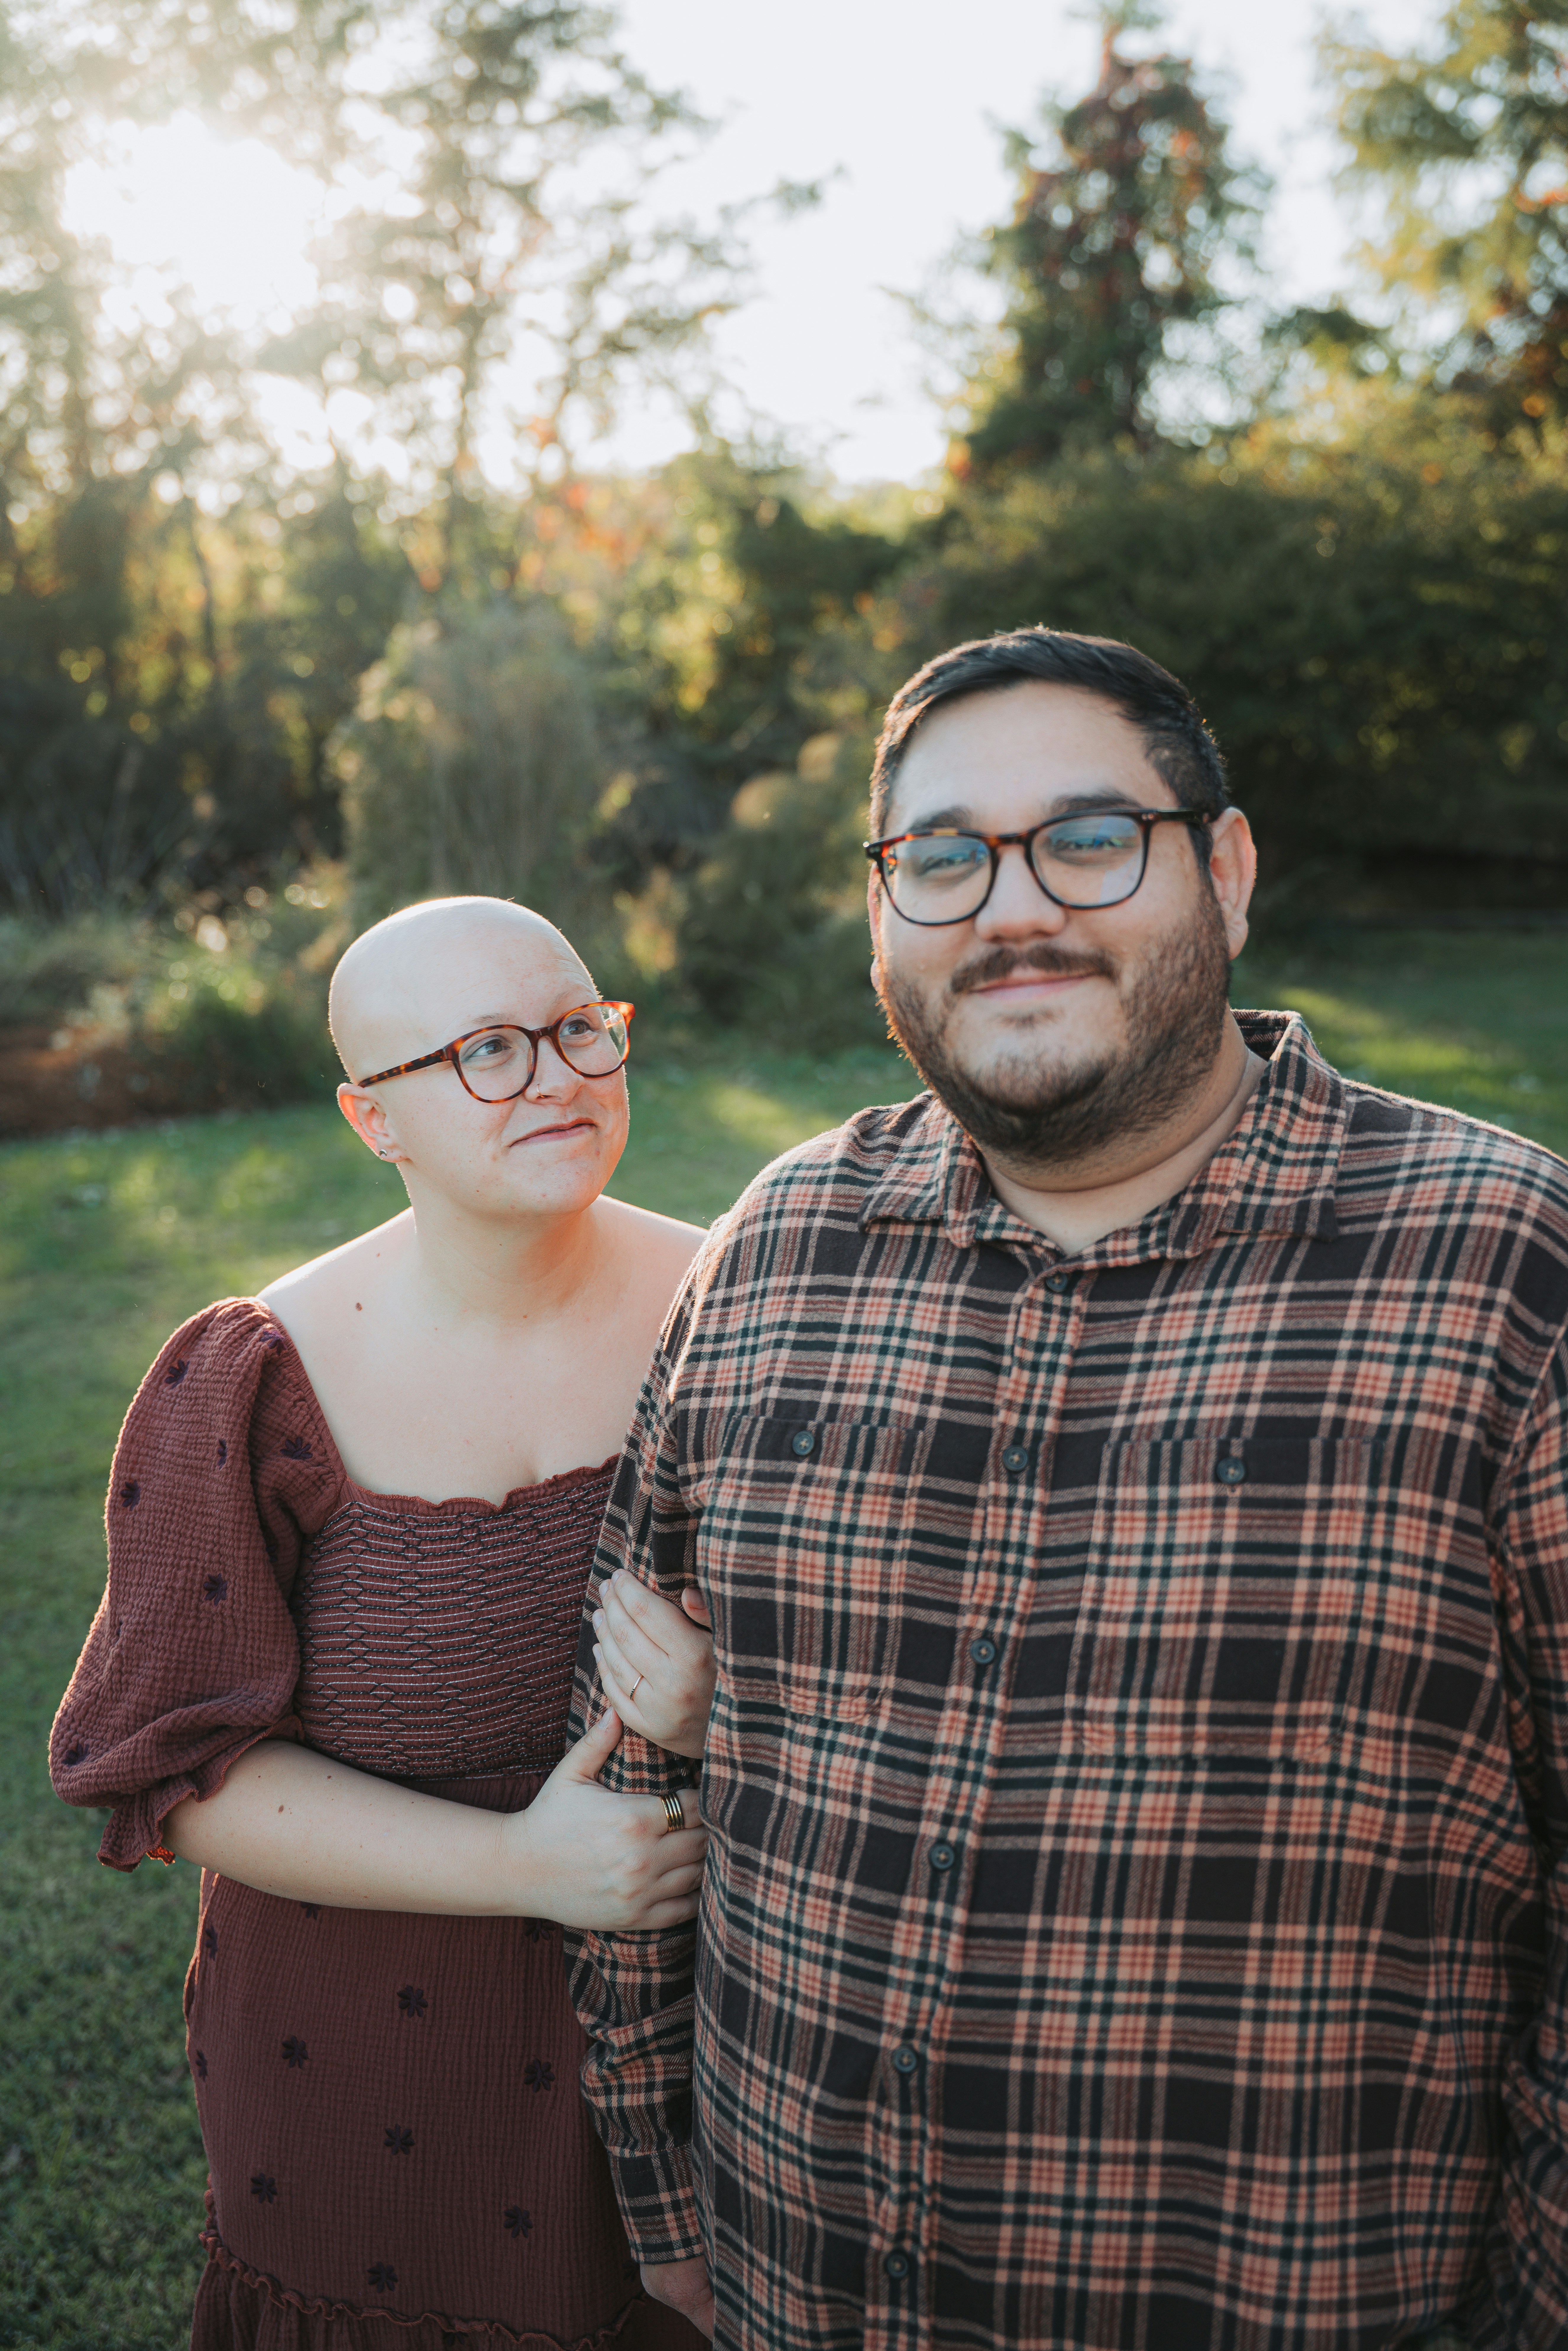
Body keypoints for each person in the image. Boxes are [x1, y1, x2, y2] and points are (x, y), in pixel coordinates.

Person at [564, 629, 1568, 2351]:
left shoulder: (1505, 1272)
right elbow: (633, 1756)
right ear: (882, 917)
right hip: (786, 2298)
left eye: (1086, 839)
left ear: (1226, 872)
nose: (1007, 908)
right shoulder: (775, 1252)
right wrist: (668, 2211)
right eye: (939, 858)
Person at [50, 895, 719, 2351]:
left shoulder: (741, 1298)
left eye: (576, 1029)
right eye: (485, 1048)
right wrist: (524, 1863)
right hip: (376, 2060)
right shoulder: (255, 1379)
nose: (552, 1076)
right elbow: (180, 1768)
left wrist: (724, 1709)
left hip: (717, 2039)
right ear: (374, 1119)